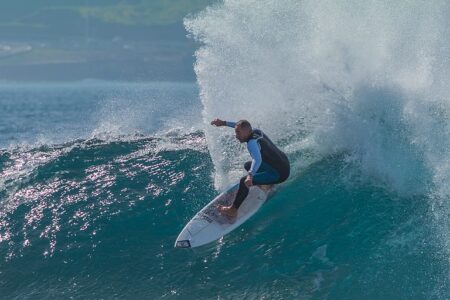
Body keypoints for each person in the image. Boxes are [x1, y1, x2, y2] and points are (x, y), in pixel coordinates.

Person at [210, 119, 290, 218]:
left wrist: (250, 175)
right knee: (248, 165)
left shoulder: (251, 143)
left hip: (280, 174)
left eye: (238, 133)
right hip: (284, 164)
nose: (236, 135)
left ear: (247, 132)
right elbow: (239, 126)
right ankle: (268, 183)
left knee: (244, 181)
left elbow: (257, 159)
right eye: (236, 132)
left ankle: (233, 210)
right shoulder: (256, 131)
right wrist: (223, 123)